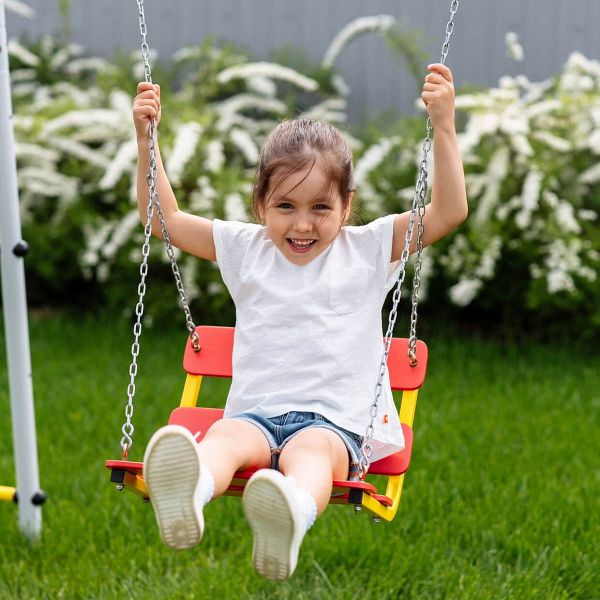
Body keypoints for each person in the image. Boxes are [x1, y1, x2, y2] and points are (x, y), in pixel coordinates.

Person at [133, 63, 467, 581]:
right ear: (260, 204)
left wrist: (443, 125)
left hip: (334, 425)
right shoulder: (246, 248)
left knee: (310, 453)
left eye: (321, 207)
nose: (303, 224)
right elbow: (163, 219)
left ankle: (291, 513)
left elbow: (447, 212)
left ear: (347, 206)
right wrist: (146, 138)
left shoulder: (369, 249)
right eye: (285, 206)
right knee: (223, 439)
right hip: (254, 414)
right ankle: (189, 495)